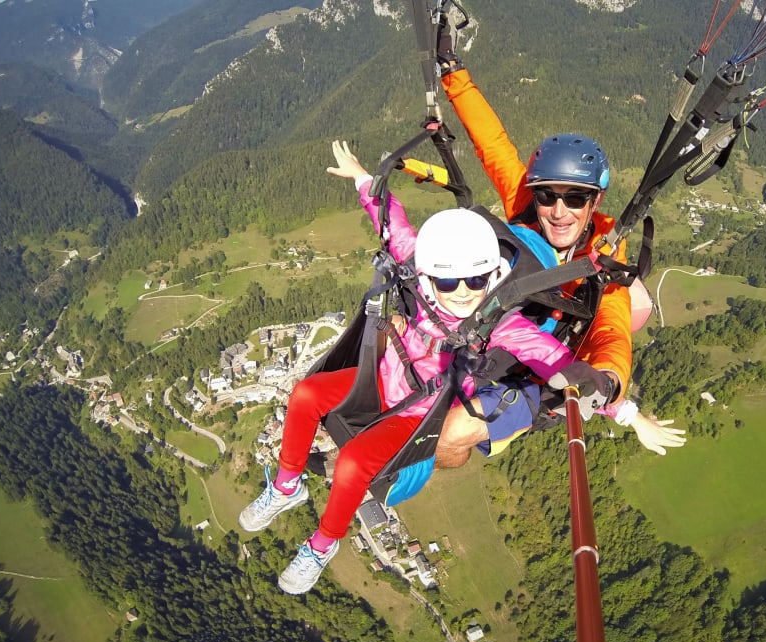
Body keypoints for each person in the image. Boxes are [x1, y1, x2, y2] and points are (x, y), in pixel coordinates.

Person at [237, 141, 612, 595]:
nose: (460, 291)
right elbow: (393, 227)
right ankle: (286, 485)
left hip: (417, 415)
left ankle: (321, 546)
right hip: (379, 381)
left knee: (354, 463)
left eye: (474, 281)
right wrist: (362, 178)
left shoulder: (500, 320)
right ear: (431, 274)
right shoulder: (421, 270)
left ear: (490, 277)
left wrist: (608, 395)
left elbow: (555, 359)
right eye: (449, 281)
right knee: (306, 394)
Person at [430, 36, 643, 468]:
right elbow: (492, 145)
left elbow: (612, 328)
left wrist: (610, 381)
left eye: (576, 199)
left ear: (595, 202)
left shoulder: (603, 259)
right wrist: (452, 71)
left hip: (532, 377)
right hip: (485, 334)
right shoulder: (528, 210)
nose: (559, 211)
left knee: (448, 443)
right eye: (548, 195)